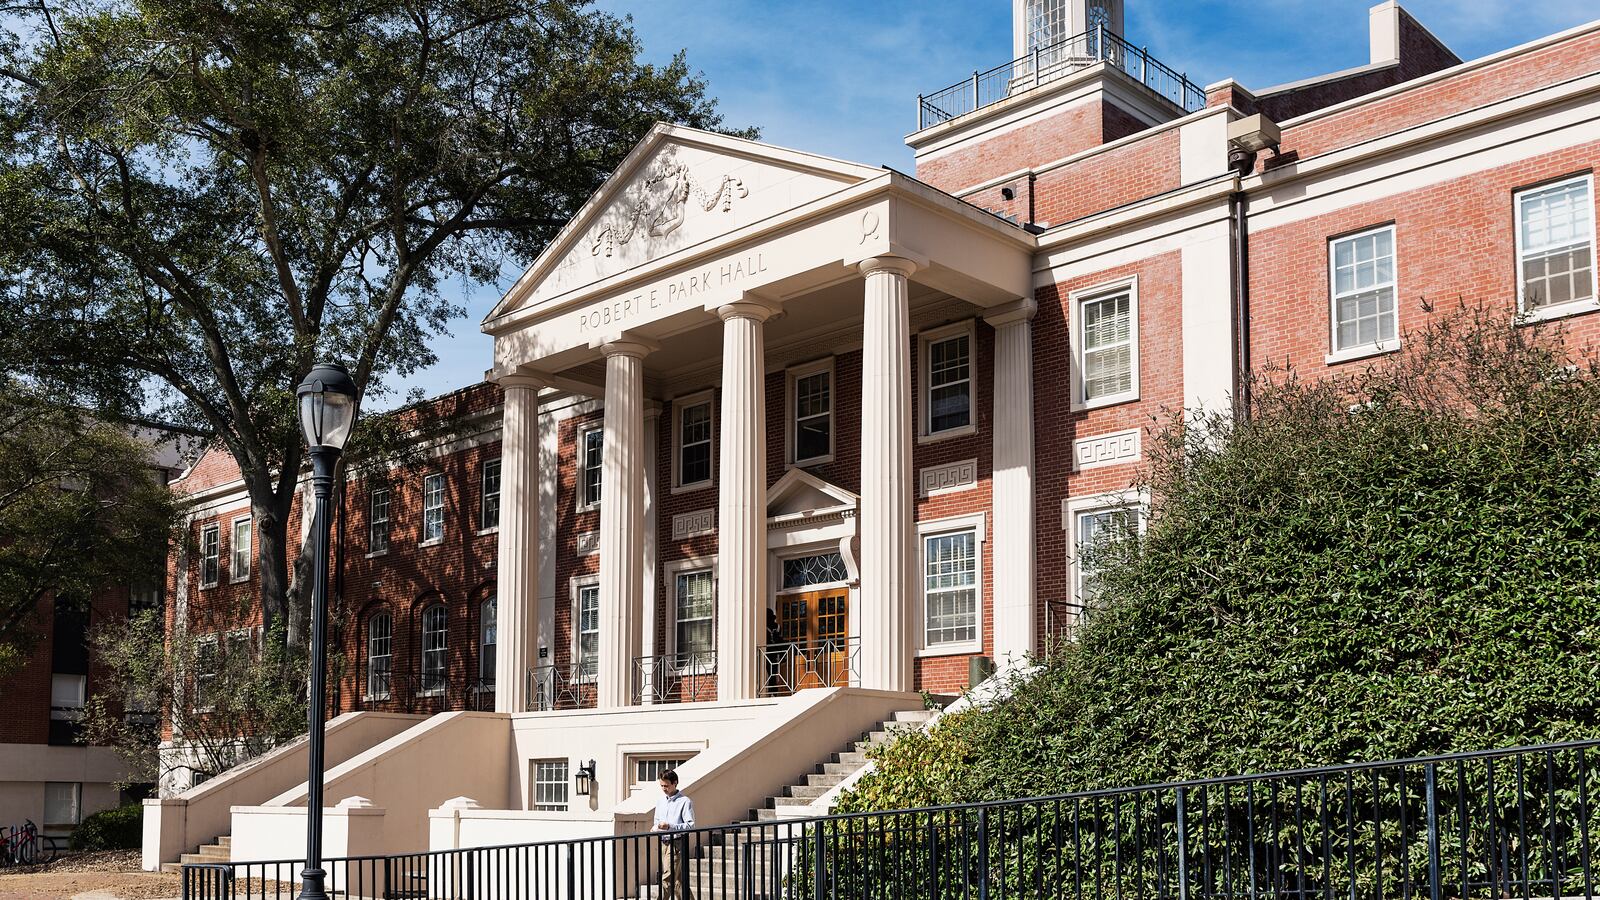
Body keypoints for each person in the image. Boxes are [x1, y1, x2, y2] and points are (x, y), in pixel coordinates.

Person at [654, 769, 695, 900]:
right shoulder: (660, 802)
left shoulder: (684, 801)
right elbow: (656, 821)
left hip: (676, 843)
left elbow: (690, 825)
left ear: (675, 783)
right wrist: (656, 828)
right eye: (661, 785)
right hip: (663, 843)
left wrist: (670, 826)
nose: (663, 788)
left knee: (668, 877)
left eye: (666, 785)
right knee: (678, 881)